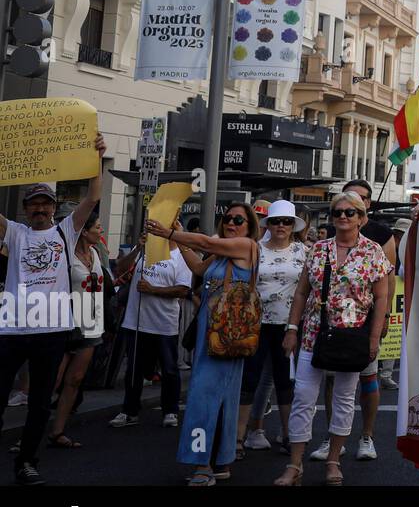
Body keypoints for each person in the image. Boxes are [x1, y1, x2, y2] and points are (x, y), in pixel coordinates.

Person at [0, 133, 108, 485]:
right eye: (34, 204)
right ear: (26, 208)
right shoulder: (14, 233)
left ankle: (27, 462)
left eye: (46, 204)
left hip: (50, 332)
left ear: (53, 206)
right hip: (13, 329)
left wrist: (97, 158)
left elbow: (93, 196)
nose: (40, 209)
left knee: (39, 404)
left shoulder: (66, 231)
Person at [275, 191, 390, 486]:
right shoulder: (318, 249)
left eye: (349, 212)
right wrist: (291, 328)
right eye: (336, 212)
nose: (341, 216)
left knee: (342, 400)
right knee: (303, 398)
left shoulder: (374, 252)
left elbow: (381, 298)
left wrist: (374, 339)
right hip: (314, 333)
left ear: (361, 218)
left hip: (352, 337)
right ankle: (295, 465)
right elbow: (302, 292)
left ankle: (333, 461)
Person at [146, 201, 259, 485]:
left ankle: (201, 466)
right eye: (227, 218)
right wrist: (180, 235)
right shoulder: (222, 252)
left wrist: (169, 235)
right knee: (221, 399)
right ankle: (221, 462)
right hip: (212, 334)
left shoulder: (246, 246)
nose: (231, 223)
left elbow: (205, 241)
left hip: (225, 336)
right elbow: (197, 265)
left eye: (238, 219)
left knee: (202, 398)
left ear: (249, 227)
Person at [311, 178, 397, 463]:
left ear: (367, 205)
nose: (346, 214)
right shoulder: (331, 233)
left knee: (367, 378)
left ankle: (367, 436)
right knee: (332, 379)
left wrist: (383, 319)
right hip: (332, 323)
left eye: (356, 203)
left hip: (365, 321)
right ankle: (332, 437)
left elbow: (387, 281)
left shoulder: (382, 236)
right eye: (342, 207)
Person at [236, 200, 307, 457]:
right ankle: (238, 437)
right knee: (249, 379)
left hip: (288, 325)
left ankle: (289, 435)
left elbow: (309, 287)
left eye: (286, 222)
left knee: (285, 382)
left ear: (293, 226)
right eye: (276, 221)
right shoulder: (255, 249)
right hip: (255, 323)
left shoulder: (303, 251)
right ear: (268, 224)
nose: (281, 226)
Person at [108, 229, 192, 429]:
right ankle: (129, 411)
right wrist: (138, 247)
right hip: (136, 322)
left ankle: (170, 410)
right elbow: (120, 269)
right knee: (134, 370)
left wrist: (153, 290)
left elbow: (182, 289)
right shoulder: (144, 251)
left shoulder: (180, 256)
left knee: (169, 369)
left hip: (164, 324)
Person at [45, 216, 109, 449]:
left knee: (75, 380)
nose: (101, 229)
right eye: (97, 226)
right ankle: (29, 433)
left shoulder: (97, 252)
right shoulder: (65, 254)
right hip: (64, 324)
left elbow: (111, 278)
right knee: (52, 380)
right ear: (83, 231)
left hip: (91, 323)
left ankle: (57, 431)